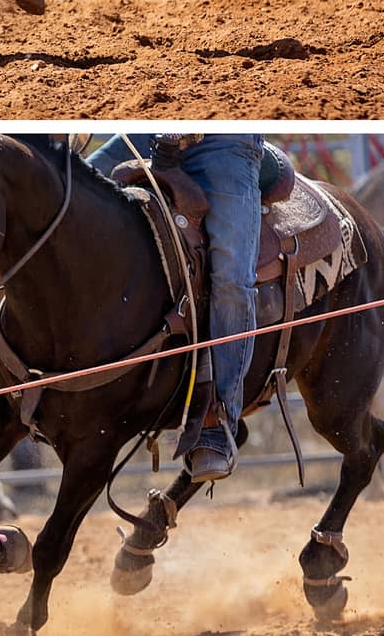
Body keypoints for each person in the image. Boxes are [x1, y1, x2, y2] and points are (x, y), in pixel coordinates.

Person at [88, 133, 264, 481]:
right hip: (144, 133)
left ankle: (218, 416)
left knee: (230, 277)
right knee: (69, 196)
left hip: (224, 143)